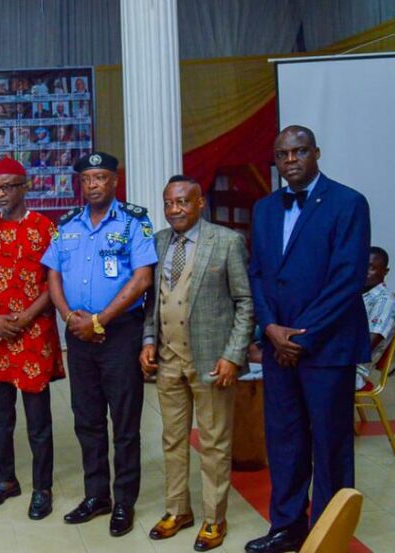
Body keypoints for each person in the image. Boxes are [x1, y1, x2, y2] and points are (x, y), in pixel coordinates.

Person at [245, 126, 370, 553]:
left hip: (327, 347)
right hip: (278, 346)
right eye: (283, 154)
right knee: (285, 441)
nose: (291, 160)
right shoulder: (264, 208)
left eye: (299, 151)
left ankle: (328, 534)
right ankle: (287, 527)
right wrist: (270, 328)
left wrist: (301, 335)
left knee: (330, 444)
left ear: (316, 153)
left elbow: (347, 277)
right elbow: (258, 274)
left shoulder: (348, 203)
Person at [42, 151, 156, 537]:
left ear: (114, 181)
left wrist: (99, 320)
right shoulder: (68, 224)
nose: (93, 185)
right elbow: (53, 274)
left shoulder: (134, 221)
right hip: (79, 335)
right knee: (87, 419)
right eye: (87, 179)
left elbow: (142, 279)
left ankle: (124, 501)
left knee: (124, 422)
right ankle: (96, 496)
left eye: (101, 177)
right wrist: (68, 317)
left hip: (119, 333)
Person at [140, 175, 254, 551]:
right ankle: (178, 510)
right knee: (172, 440)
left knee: (214, 442)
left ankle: (213, 518)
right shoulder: (158, 241)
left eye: (183, 202)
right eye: (169, 203)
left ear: (200, 202)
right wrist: (149, 341)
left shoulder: (226, 241)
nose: (175, 209)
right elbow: (152, 301)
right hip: (168, 361)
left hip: (211, 361)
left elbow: (245, 302)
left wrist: (232, 355)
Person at [0, 158, 64, 520]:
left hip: (33, 335)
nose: (1, 194)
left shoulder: (45, 228)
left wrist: (25, 317)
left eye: (8, 186)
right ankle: (5, 480)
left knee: (38, 421)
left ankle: (42, 488)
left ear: (25, 187)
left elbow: (54, 282)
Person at [356, 247, 395, 390]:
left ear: (385, 271)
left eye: (371, 268)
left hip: (353, 371)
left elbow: (365, 346)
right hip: (339, 359)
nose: (364, 272)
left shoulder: (385, 303)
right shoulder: (360, 293)